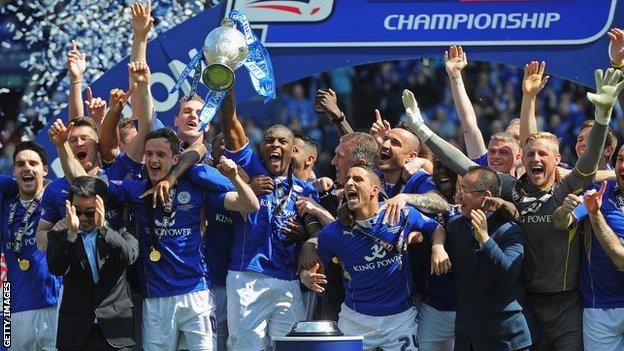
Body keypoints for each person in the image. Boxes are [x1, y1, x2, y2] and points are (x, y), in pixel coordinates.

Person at [401, 67, 624, 350]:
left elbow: (590, 162)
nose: (536, 158)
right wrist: (422, 130)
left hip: (567, 305)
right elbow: (464, 165)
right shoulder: (512, 188)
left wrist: (602, 117)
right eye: (530, 153)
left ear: (558, 160)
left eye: (544, 154)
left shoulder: (567, 189)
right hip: (526, 303)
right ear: (523, 159)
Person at [52, 124, 259, 350]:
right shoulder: (134, 190)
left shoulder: (197, 188)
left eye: (161, 154)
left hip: (195, 295)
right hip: (156, 300)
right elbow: (82, 183)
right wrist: (63, 145)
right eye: (149, 154)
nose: (153, 160)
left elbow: (250, 205)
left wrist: (235, 178)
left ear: (175, 159)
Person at [301, 165, 449, 351]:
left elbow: (436, 228)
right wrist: (305, 275)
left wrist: (438, 247)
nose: (349, 183)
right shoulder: (334, 232)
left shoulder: (401, 215)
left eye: (357, 179)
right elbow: (313, 264)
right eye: (347, 179)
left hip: (400, 319)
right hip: (355, 319)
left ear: (374, 190)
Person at [219, 89, 319, 350]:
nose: (275, 145)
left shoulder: (306, 190)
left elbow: (318, 234)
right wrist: (228, 82)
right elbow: (231, 123)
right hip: (249, 276)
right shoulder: (253, 168)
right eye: (269, 141)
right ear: (262, 147)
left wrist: (304, 239)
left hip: (288, 281)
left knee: (289, 347)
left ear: (292, 149)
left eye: (282, 142)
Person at [445, 166, 533, 351]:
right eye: (458, 189)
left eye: (464, 191)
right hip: (467, 336)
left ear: (485, 195)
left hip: (504, 337)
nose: (458, 196)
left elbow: (509, 274)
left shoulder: (509, 230)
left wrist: (485, 239)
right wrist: (437, 245)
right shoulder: (455, 227)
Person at [47, 176, 139, 350]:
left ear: (101, 207)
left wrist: (103, 228)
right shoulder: (59, 233)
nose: (82, 218)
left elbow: (128, 257)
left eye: (89, 213)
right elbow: (55, 268)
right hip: (75, 333)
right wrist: (71, 236)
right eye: (77, 211)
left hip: (117, 330)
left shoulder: (120, 227)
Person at [552, 144, 624, 350]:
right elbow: (561, 222)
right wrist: (563, 212)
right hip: (600, 308)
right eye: (620, 159)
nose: (623, 165)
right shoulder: (599, 193)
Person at [2, 142, 61, 350]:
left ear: (44, 170)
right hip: (14, 310)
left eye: (33, 163)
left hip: (54, 306)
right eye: (20, 164)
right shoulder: (5, 204)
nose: (27, 167)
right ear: (13, 172)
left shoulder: (55, 203)